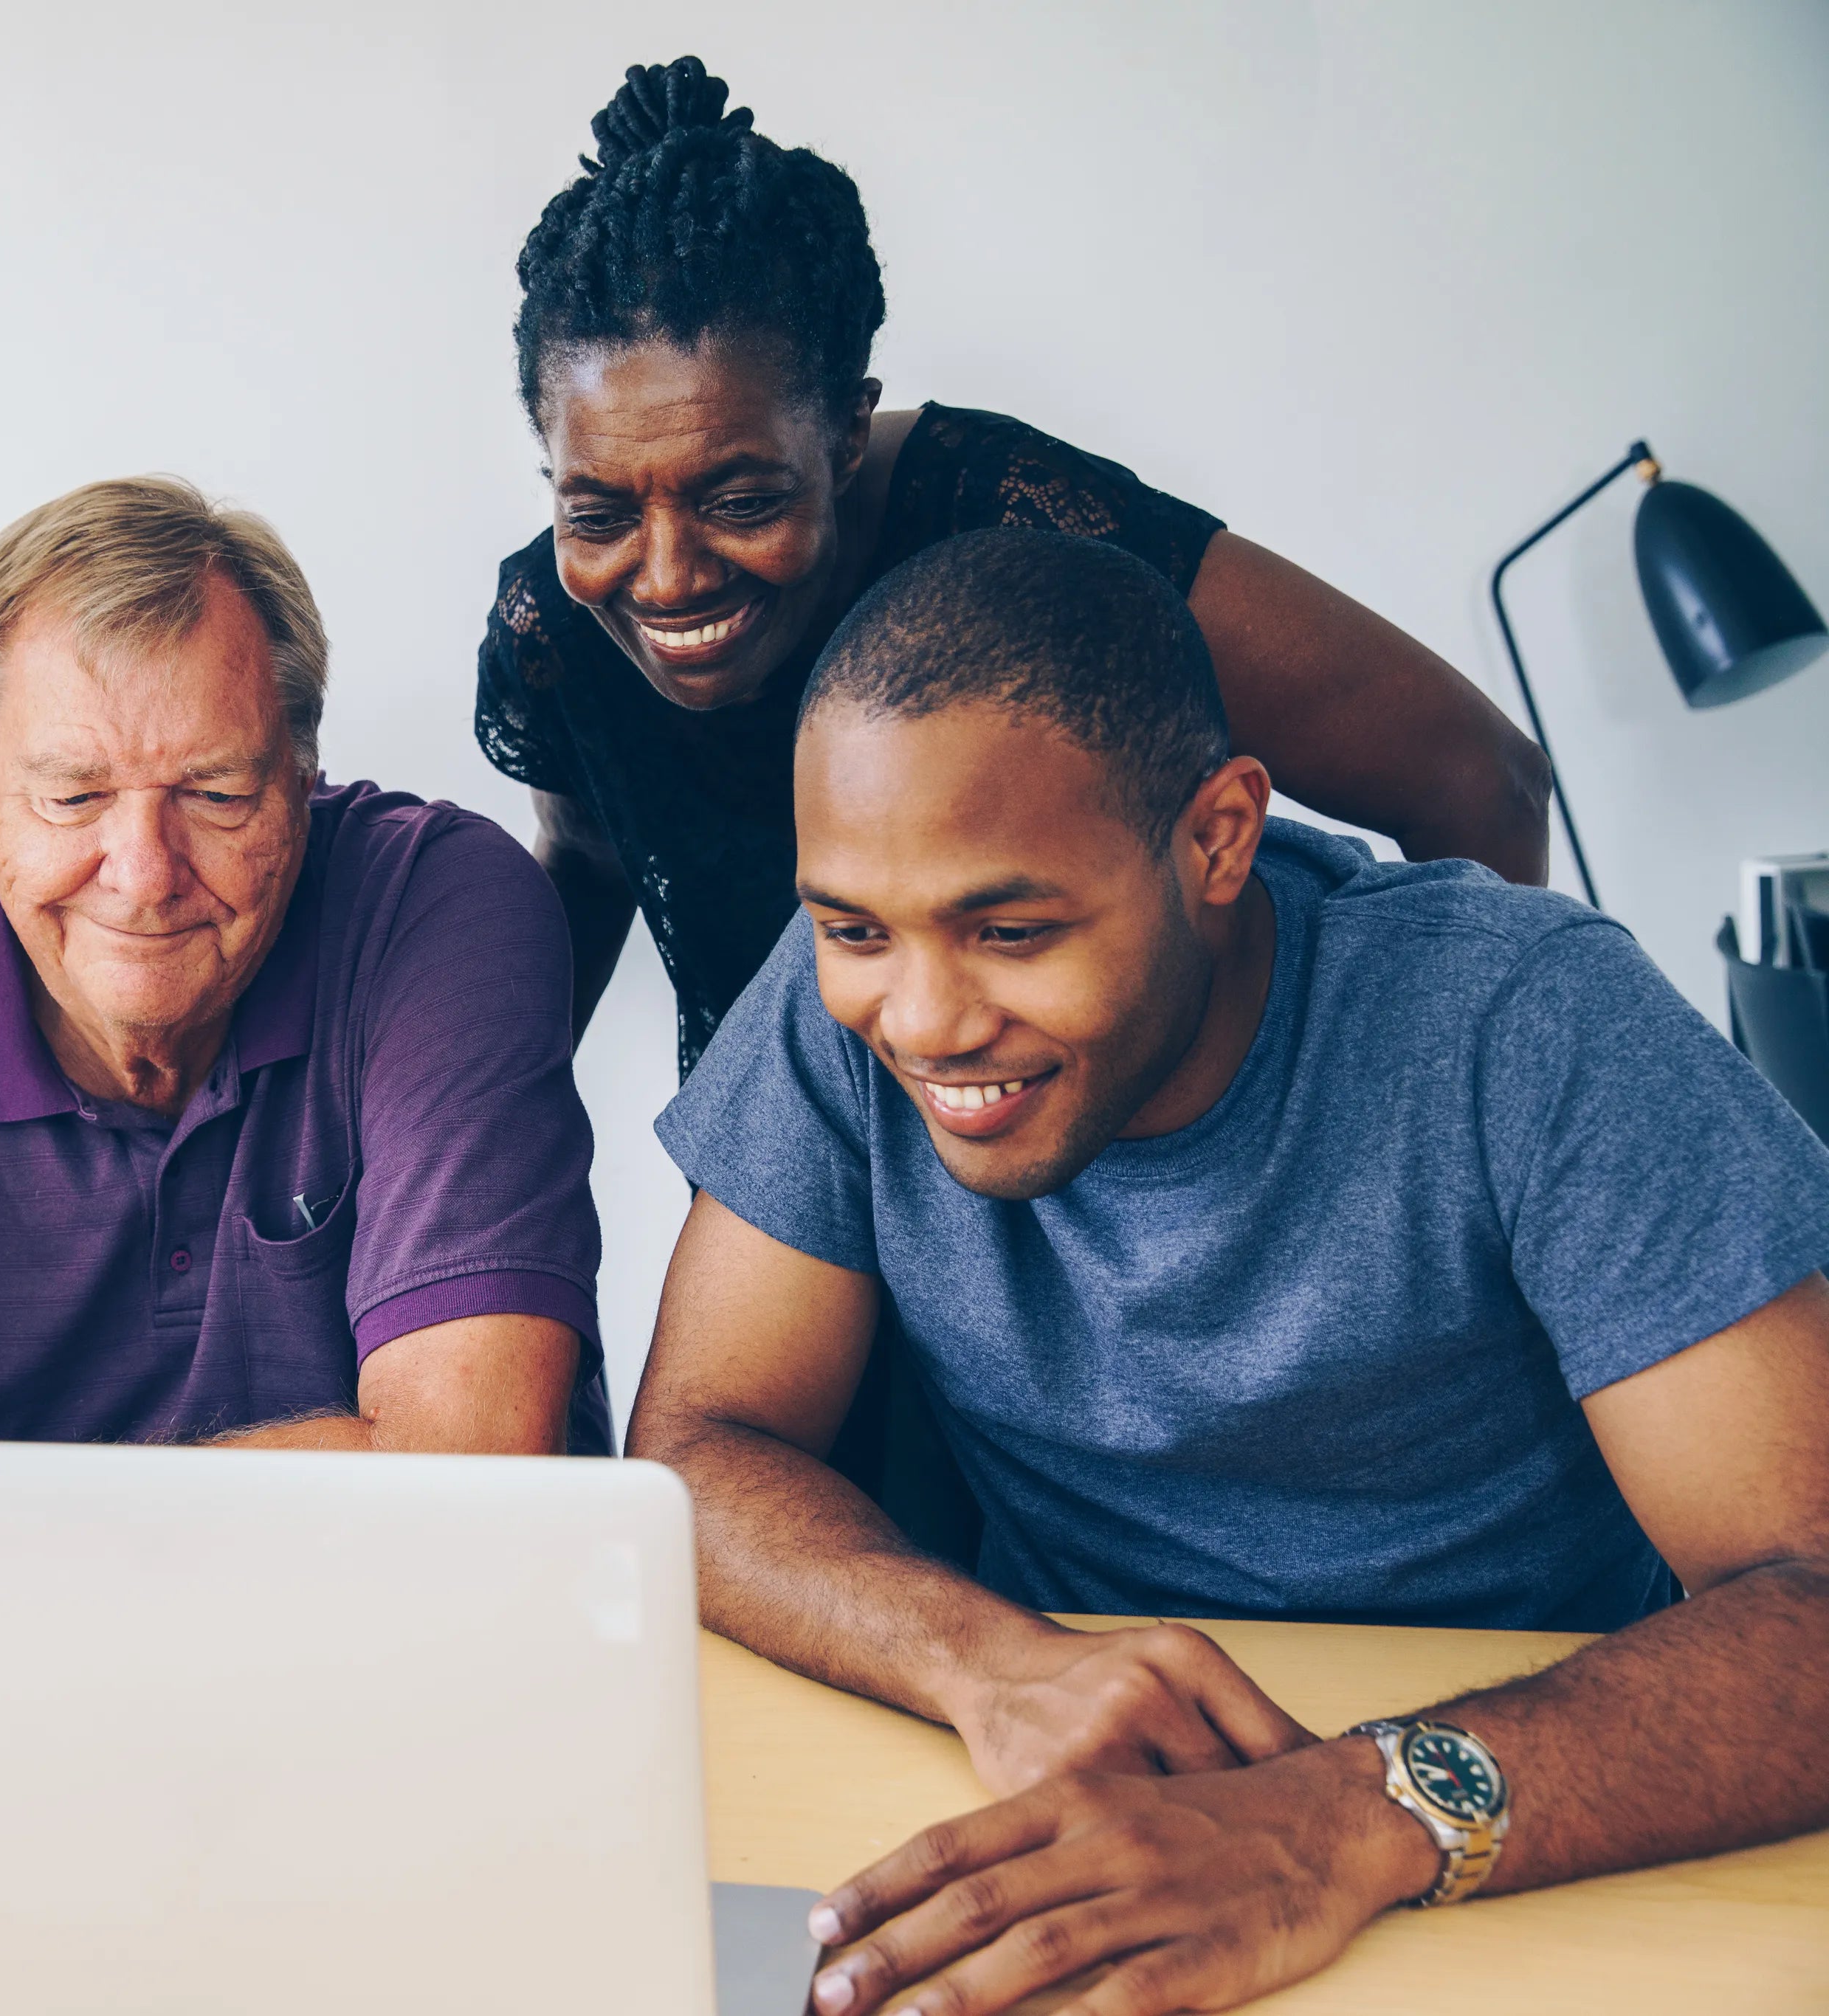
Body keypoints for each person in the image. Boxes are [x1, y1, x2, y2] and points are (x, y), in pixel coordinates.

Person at [630, 526, 1829, 2015]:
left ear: (1214, 837)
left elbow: (1813, 1595)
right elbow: (694, 1447)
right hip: (1079, 1803)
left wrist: (1335, 1819)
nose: (921, 1017)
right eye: (854, 929)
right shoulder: (842, 1014)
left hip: (1531, 1820)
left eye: (1010, 929)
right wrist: (987, 1664)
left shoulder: (1530, 1021)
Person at [480, 56, 1553, 1077]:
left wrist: (1434, 1165)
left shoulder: (1018, 532)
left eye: (744, 501)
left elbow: (1478, 781)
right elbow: (589, 859)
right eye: (600, 510)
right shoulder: (561, 635)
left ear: (849, 435)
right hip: (827, 1188)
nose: (666, 577)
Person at [0, 477, 608, 1454]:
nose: (144, 878)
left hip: (389, 1619)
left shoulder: (436, 913)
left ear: (303, 770)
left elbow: (462, 1470)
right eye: (74, 797)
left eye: (215, 793)